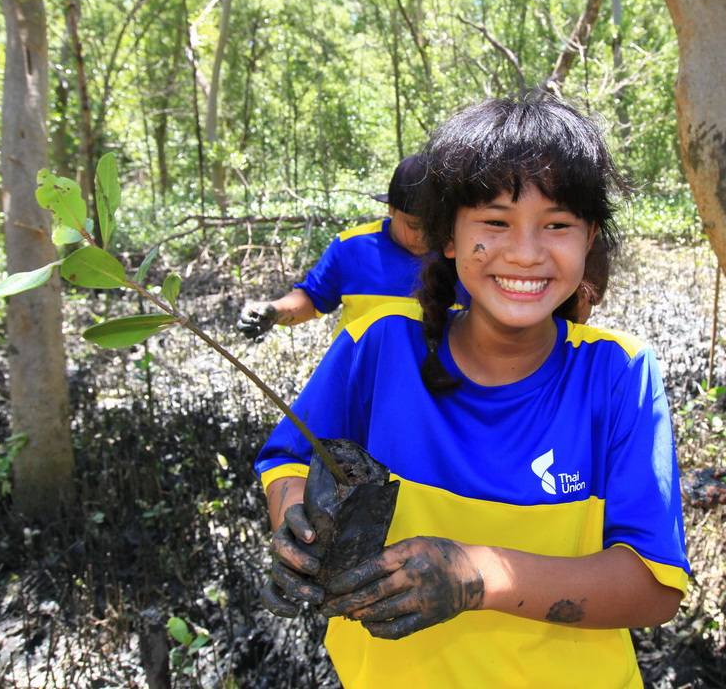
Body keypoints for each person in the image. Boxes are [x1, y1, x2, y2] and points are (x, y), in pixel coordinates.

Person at [255, 96, 690, 689]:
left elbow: (651, 585)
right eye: (495, 221)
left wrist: (474, 575)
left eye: (557, 224)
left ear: (589, 239)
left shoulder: (618, 375)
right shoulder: (379, 346)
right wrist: (297, 529)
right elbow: (288, 458)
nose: (526, 252)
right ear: (449, 238)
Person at [236, 154, 430, 339]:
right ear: (390, 209)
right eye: (413, 226)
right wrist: (273, 312)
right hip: (358, 371)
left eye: (433, 224)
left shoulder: (456, 252)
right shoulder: (353, 247)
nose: (423, 236)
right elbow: (312, 299)